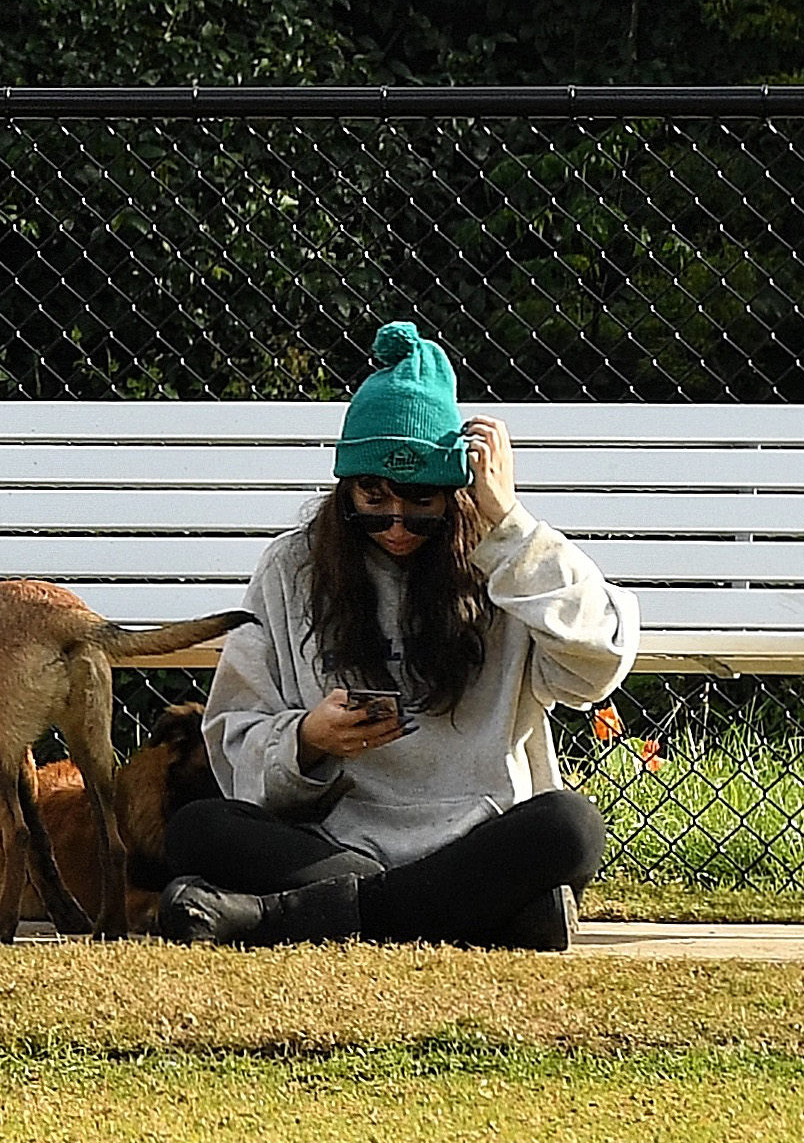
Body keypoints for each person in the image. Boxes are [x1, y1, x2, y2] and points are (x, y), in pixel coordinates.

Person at [159, 320, 639, 949]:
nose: (396, 522)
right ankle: (487, 917)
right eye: (373, 496)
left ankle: (281, 919)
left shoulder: (508, 561)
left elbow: (601, 660)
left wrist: (513, 527)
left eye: (421, 499)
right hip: (335, 842)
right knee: (198, 827)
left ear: (458, 491)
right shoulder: (291, 568)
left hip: (479, 836)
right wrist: (308, 739)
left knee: (569, 827)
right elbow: (233, 735)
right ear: (345, 488)